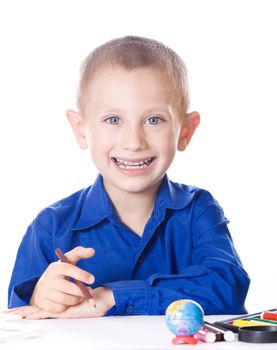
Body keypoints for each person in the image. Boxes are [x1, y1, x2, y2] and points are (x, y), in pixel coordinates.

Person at [6, 36, 250, 319]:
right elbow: (18, 323)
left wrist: (112, 296)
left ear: (185, 131)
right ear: (80, 128)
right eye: (113, 120)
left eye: (154, 120)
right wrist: (41, 297)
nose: (134, 142)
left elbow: (227, 289)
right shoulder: (50, 227)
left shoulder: (199, 209)